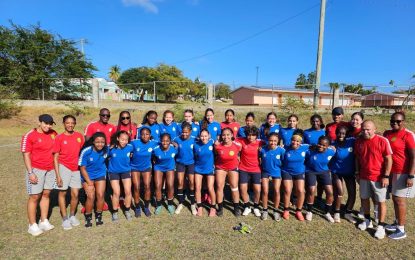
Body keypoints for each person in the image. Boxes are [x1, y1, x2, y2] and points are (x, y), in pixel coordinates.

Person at [355, 120, 392, 239]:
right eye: (364, 129)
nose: (366, 131)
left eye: (368, 129)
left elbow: (388, 159)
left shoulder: (382, 140)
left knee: (381, 201)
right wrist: (357, 172)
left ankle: (380, 226)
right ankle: (367, 220)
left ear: (374, 129)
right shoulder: (359, 141)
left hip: (378, 177)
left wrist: (386, 176)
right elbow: (357, 158)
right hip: (364, 176)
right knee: (364, 199)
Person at [22, 114, 58, 236]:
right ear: (39, 122)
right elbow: (26, 154)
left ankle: (44, 220)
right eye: (45, 123)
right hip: (36, 169)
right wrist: (30, 172)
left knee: (46, 194)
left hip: (50, 169)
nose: (48, 126)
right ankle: (32, 225)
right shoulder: (30, 135)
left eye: (50, 124)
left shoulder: (54, 133)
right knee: (35, 196)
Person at [383, 112, 415, 239]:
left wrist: (411, 176)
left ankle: (401, 230)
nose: (394, 123)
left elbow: (413, 157)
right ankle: (397, 223)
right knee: (395, 198)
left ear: (404, 122)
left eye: (398, 121)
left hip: (404, 172)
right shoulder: (388, 134)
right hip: (392, 171)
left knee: (400, 200)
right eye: (392, 121)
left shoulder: (408, 136)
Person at [53, 115, 85, 230]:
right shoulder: (59, 138)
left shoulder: (79, 136)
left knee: (75, 194)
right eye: (67, 123)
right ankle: (65, 219)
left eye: (72, 123)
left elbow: (82, 151)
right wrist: (58, 175)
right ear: (64, 123)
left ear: (75, 124)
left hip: (76, 168)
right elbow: (55, 157)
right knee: (62, 193)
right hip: (64, 167)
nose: (70, 125)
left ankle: (72, 215)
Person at [78, 132, 108, 227]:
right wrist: (89, 182)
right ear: (93, 142)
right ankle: (88, 217)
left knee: (100, 194)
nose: (100, 144)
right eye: (97, 142)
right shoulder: (86, 151)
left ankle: (99, 215)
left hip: (100, 174)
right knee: (91, 196)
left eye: (102, 142)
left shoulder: (106, 149)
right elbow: (82, 168)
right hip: (87, 176)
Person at [304, 136, 335, 223]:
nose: (321, 146)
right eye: (319, 144)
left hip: (324, 172)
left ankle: (327, 212)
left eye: (323, 145)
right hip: (311, 171)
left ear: (328, 146)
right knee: (311, 190)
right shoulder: (310, 150)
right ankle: (309, 211)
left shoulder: (331, 152)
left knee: (330, 192)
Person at [330, 125, 357, 223]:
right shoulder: (333, 143)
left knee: (352, 193)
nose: (341, 135)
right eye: (339, 133)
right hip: (336, 172)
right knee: (340, 191)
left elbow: (362, 135)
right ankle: (336, 211)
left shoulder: (352, 141)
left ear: (347, 135)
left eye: (343, 133)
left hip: (349, 172)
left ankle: (347, 212)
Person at [237, 126, 263, 217]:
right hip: (243, 169)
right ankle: (247, 206)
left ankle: (256, 206)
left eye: (253, 135)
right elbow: (231, 139)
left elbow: (271, 144)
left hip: (256, 169)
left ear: (256, 136)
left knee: (257, 190)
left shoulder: (260, 143)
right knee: (243, 188)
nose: (250, 137)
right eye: (249, 135)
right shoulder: (241, 140)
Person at [130, 127, 157, 217]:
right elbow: (125, 147)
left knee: (147, 186)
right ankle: (137, 208)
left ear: (150, 135)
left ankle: (146, 207)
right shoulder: (134, 142)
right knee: (136, 187)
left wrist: (174, 143)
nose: (145, 136)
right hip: (135, 167)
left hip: (146, 167)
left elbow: (165, 143)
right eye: (143, 134)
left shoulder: (153, 143)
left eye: (147, 134)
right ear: (140, 135)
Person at [215, 127, 242, 216]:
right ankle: (220, 208)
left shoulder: (237, 145)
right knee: (219, 187)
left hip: (233, 167)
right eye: (223, 135)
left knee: (234, 186)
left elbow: (241, 152)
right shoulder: (217, 146)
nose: (226, 137)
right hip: (221, 167)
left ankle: (236, 208)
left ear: (231, 135)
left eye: (228, 135)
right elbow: (215, 155)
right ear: (221, 136)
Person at [281, 130, 307, 221]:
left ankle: (298, 211)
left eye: (297, 141)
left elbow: (319, 147)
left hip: (299, 172)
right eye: (293, 140)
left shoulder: (306, 147)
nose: (295, 142)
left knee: (301, 191)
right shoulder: (285, 148)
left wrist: (332, 147)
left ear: (301, 142)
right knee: (288, 190)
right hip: (287, 171)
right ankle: (286, 210)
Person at [108, 131, 134, 222]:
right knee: (116, 192)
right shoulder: (110, 148)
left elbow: (135, 152)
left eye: (126, 140)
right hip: (113, 172)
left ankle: (127, 210)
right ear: (118, 139)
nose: (124, 141)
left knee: (128, 191)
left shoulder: (130, 147)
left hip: (126, 171)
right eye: (122, 139)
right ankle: (114, 212)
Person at [260, 133, 285, 221]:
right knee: (265, 190)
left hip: (276, 172)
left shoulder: (281, 150)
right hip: (265, 172)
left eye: (275, 141)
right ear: (268, 140)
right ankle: (265, 210)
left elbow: (284, 161)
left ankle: (275, 210)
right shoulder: (262, 149)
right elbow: (259, 159)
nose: (272, 143)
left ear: (278, 141)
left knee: (276, 190)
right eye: (271, 140)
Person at [173, 122, 197, 215]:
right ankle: (181, 202)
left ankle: (192, 203)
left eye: (186, 132)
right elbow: (171, 142)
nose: (184, 134)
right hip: (180, 163)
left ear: (190, 132)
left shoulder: (195, 139)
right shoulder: (177, 139)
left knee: (191, 182)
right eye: (183, 132)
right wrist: (172, 143)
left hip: (191, 163)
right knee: (180, 182)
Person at [152, 133, 177, 215]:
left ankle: (170, 204)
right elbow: (152, 157)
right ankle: (159, 205)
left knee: (170, 185)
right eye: (163, 141)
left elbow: (178, 155)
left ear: (170, 141)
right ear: (160, 141)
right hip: (158, 167)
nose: (165, 142)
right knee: (158, 185)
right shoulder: (156, 149)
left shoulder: (174, 148)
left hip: (170, 167)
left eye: (167, 141)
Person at [193, 129, 216, 216]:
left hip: (209, 169)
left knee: (210, 188)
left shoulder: (212, 142)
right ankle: (199, 207)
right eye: (202, 136)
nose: (204, 138)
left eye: (205, 136)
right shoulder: (195, 145)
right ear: (199, 136)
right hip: (198, 169)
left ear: (209, 136)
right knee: (198, 187)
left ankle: (213, 207)